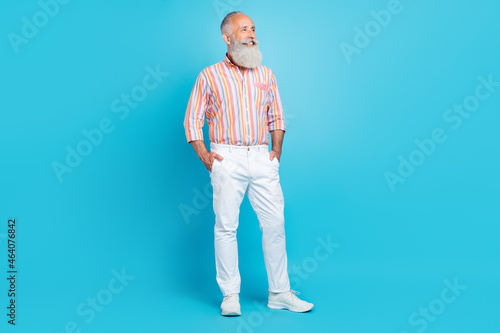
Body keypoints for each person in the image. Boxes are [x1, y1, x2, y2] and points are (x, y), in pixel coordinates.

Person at [183, 11, 313, 316]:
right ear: (227, 38)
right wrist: (205, 156)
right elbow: (192, 120)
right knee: (226, 227)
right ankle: (230, 295)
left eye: (253, 29)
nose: (251, 34)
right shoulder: (209, 75)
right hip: (226, 155)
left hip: (260, 155)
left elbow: (277, 116)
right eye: (244, 29)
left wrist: (275, 153)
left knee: (275, 224)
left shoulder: (266, 74)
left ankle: (279, 292)